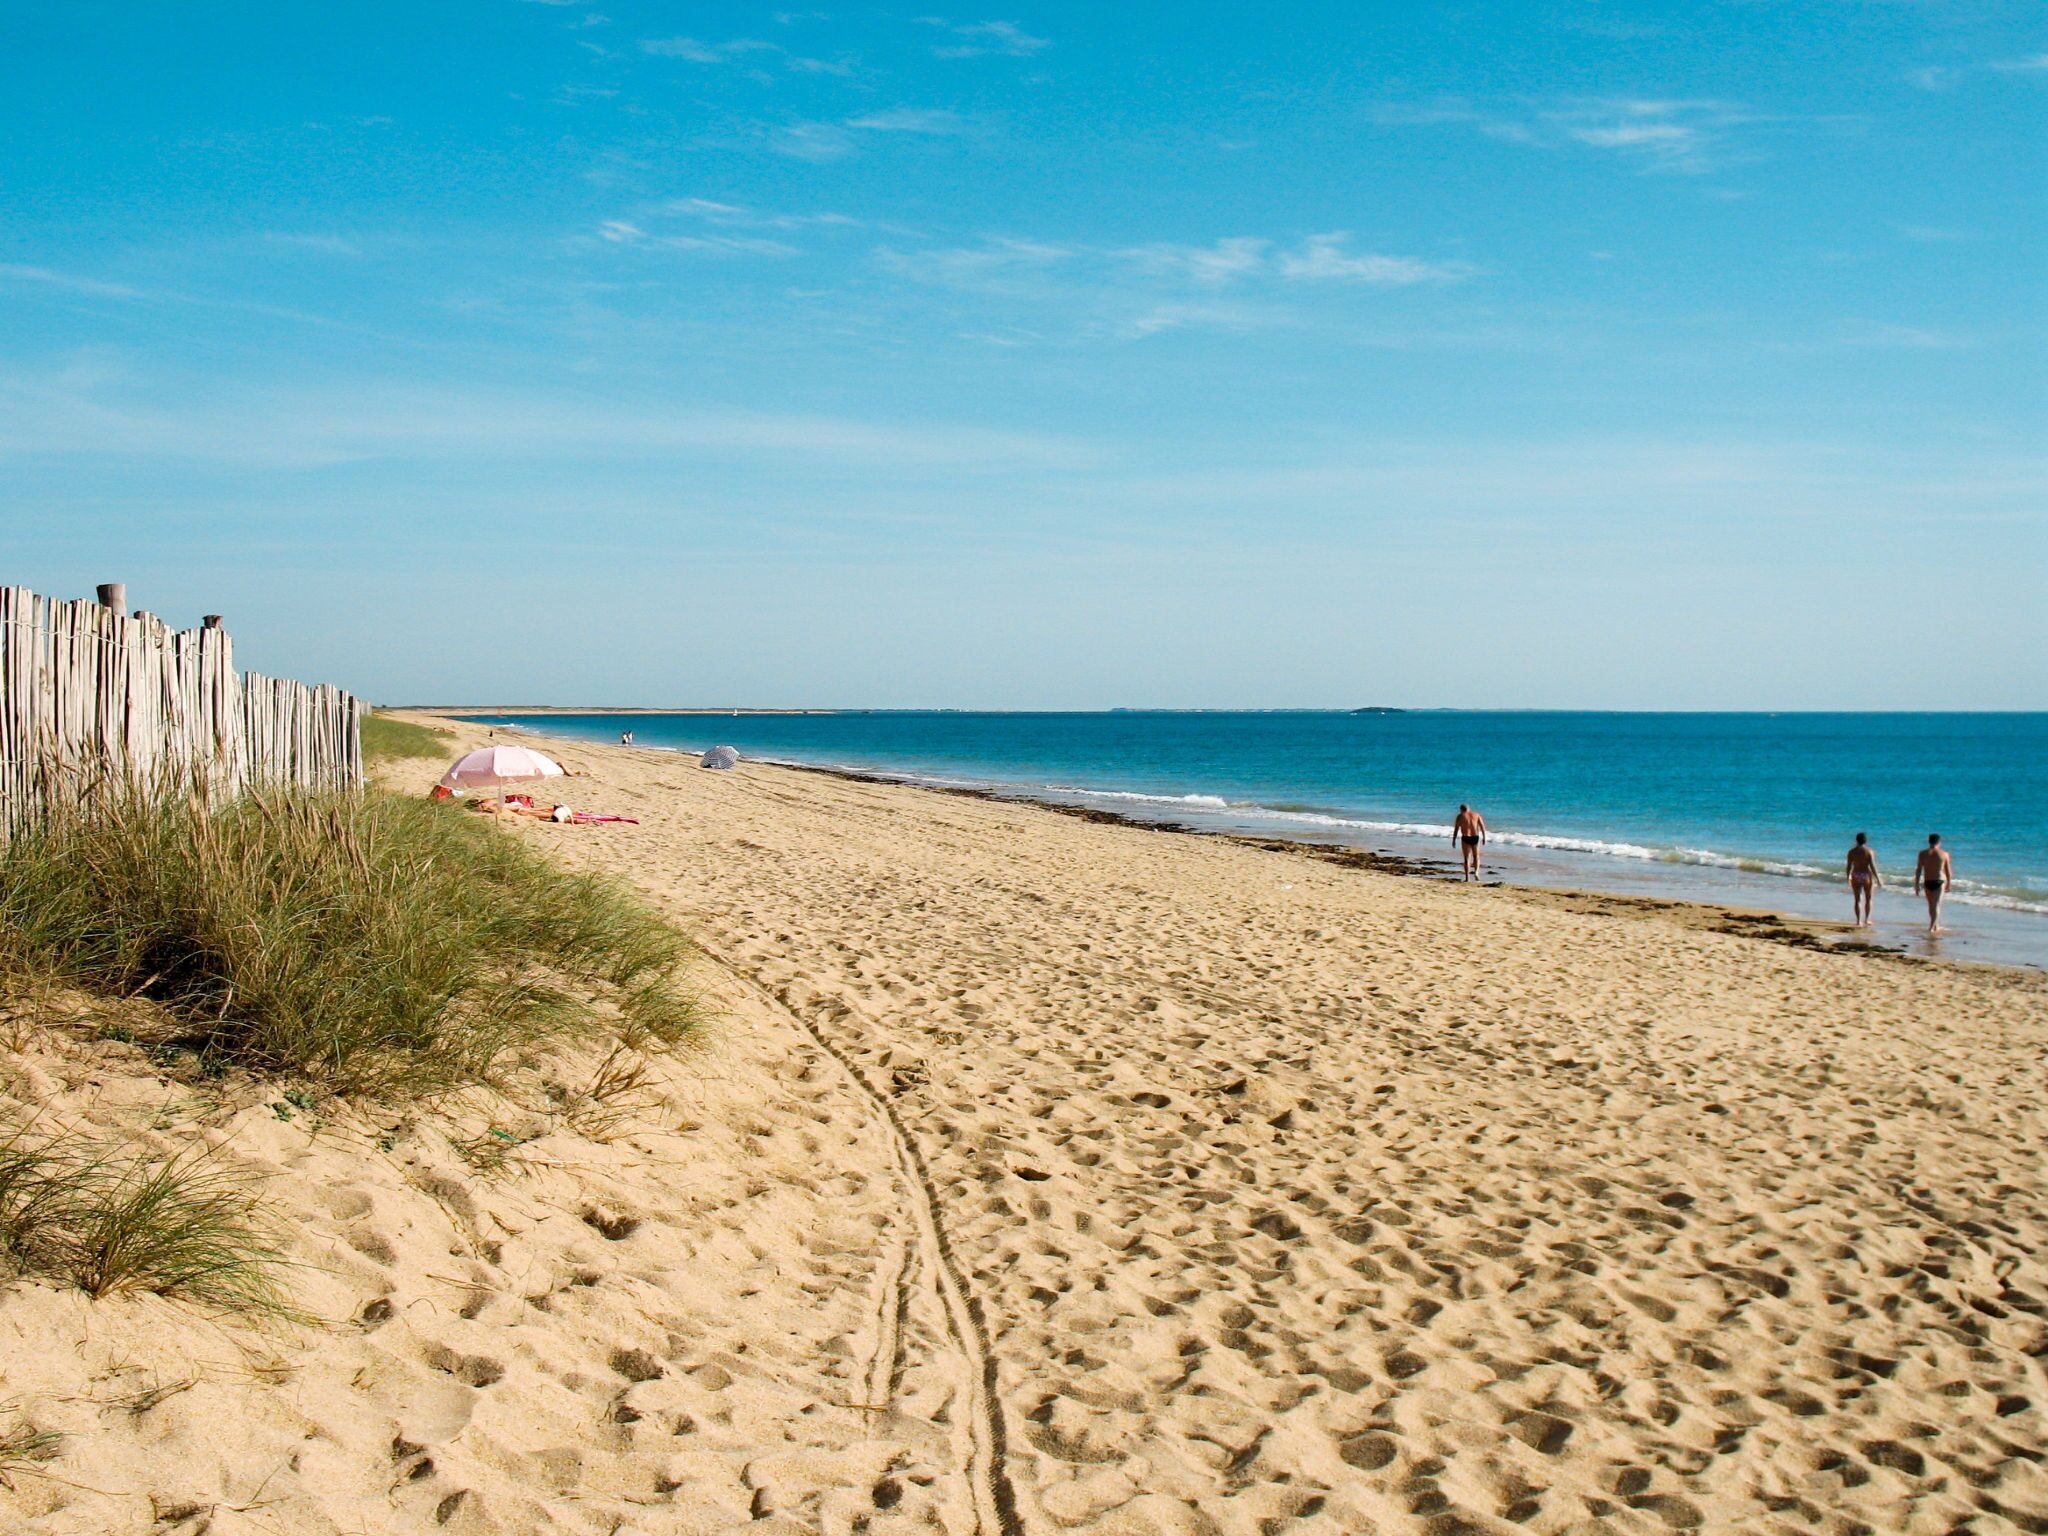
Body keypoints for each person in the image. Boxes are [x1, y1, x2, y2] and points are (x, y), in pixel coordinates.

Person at [1914, 834, 1953, 935]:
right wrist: (1949, 882)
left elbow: (1918, 870)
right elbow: (1948, 871)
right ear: (1939, 842)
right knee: (1936, 905)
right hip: (1939, 881)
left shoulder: (1922, 854)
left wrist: (1916, 884)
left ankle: (1935, 926)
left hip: (1927, 881)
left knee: (1931, 905)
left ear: (1929, 841)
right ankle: (1932, 927)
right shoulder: (1944, 854)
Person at [1845, 833, 1882, 927]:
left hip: (1856, 874)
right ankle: (1866, 920)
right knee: (1868, 898)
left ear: (1856, 840)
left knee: (1857, 899)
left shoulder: (1851, 852)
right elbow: (1873, 866)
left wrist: (1848, 877)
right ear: (1865, 840)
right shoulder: (1869, 851)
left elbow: (1848, 866)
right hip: (1866, 875)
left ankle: (1858, 921)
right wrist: (1878, 879)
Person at [1452, 803, 1487, 882]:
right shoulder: (1476, 815)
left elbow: (1456, 829)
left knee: (1467, 858)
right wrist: (1484, 837)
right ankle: (1476, 872)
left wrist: (1454, 840)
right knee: (1476, 856)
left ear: (1461, 809)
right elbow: (1482, 826)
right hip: (1475, 837)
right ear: (1469, 809)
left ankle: (1467, 878)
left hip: (1465, 838)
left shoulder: (1460, 816)